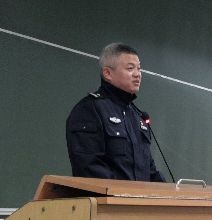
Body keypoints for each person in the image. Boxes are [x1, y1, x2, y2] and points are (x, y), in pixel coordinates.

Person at [66, 43, 166, 182]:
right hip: (109, 196)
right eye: (130, 68)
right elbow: (89, 167)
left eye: (139, 69)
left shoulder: (138, 117)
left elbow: (149, 171)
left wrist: (169, 190)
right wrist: (126, 193)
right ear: (107, 73)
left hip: (136, 196)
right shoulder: (90, 109)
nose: (137, 74)